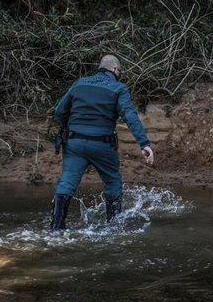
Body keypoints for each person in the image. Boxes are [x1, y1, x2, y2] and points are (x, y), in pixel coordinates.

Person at [51, 55, 154, 230]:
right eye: (119, 71)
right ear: (115, 70)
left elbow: (59, 112)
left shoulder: (80, 83)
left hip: (74, 143)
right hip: (103, 145)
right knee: (113, 182)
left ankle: (56, 228)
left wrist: (71, 127)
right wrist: (144, 143)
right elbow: (130, 116)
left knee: (66, 183)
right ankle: (113, 227)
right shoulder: (118, 88)